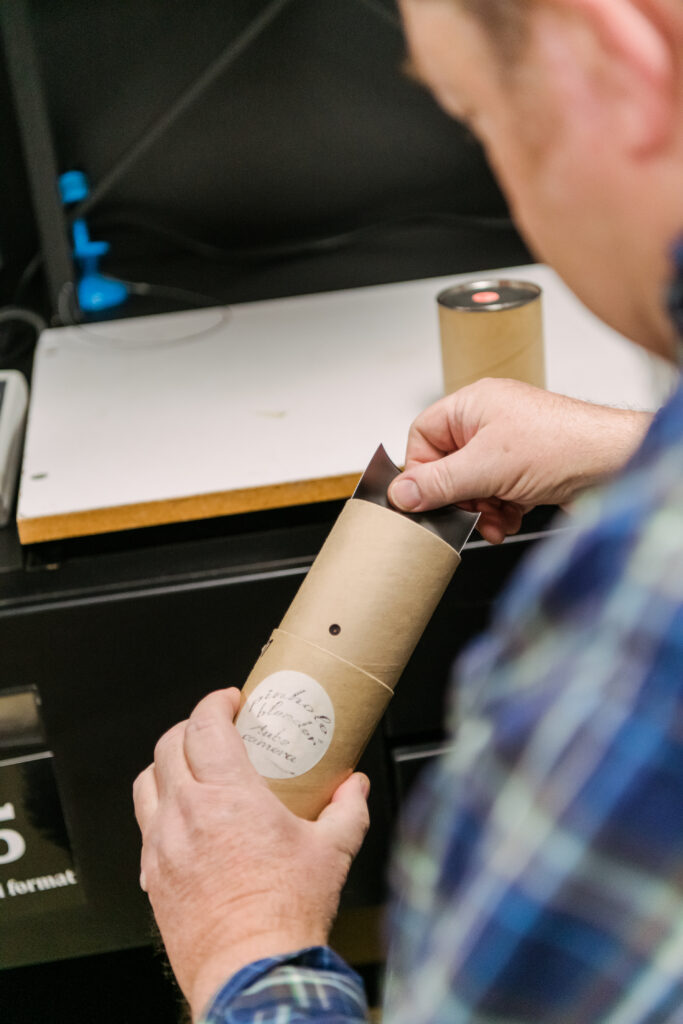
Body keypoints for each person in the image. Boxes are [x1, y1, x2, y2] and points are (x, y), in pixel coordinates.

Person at [133, 1, 683, 1021]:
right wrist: (634, 445)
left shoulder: (640, 625)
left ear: (618, 61)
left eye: (477, 112)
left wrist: (248, 941)